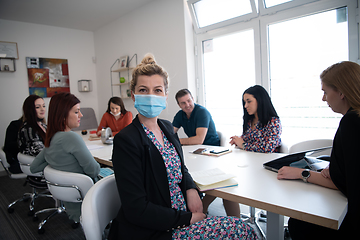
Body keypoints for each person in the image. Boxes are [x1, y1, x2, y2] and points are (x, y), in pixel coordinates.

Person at [108, 53, 257, 240]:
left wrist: (190, 188)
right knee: (242, 231)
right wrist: (188, 218)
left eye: (157, 90)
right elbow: (136, 209)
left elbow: (180, 167)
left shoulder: (167, 128)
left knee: (242, 228)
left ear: (166, 96)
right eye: (144, 90)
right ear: (133, 95)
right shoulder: (126, 140)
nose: (151, 96)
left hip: (183, 213)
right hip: (159, 228)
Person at [277, 61, 360, 239]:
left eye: (325, 92)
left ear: (341, 92)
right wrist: (337, 170)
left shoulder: (351, 123)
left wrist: (302, 173)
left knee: (298, 223)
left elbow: (343, 184)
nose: (323, 99)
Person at [30, 92, 100, 224]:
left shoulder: (50, 140)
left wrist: (56, 165)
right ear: (63, 116)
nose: (81, 115)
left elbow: (34, 168)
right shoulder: (71, 137)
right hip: (91, 200)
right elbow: (94, 171)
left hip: (72, 205)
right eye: (76, 112)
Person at [230, 85, 282, 153]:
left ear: (260, 101)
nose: (245, 106)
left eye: (249, 101)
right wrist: (237, 140)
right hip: (251, 159)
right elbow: (247, 140)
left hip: (267, 161)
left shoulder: (273, 122)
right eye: (245, 102)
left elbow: (268, 148)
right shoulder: (249, 120)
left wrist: (243, 145)